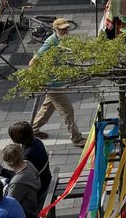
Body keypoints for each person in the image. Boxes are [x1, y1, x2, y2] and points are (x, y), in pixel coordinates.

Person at [30, 19, 86, 147]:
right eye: (62, 29)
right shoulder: (51, 41)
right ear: (55, 29)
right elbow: (33, 62)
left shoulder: (63, 40)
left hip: (58, 81)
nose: (65, 31)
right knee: (68, 111)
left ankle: (32, 130)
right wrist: (35, 79)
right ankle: (76, 138)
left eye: (66, 29)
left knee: (47, 108)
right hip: (52, 83)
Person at [0, 121, 51, 197]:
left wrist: (1, 170)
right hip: (45, 177)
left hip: (39, 187)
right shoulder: (37, 141)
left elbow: (22, 176)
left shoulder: (27, 155)